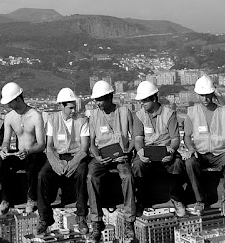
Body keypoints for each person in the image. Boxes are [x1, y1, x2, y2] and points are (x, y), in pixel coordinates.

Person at [35, 88, 90, 235]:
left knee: (81, 174)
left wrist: (72, 163)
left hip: (76, 156)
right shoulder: (53, 120)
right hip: (58, 156)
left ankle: (81, 216)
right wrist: (55, 163)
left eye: (74, 107)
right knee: (42, 176)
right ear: (62, 106)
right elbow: (49, 146)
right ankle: (44, 218)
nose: (73, 111)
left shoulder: (82, 120)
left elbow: (84, 148)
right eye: (70, 108)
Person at [184, 75, 225, 217]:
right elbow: (187, 136)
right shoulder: (192, 112)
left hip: (221, 153)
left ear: (212, 93)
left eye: (207, 95)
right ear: (198, 95)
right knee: (190, 163)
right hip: (200, 153)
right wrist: (191, 149)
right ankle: (199, 200)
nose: (205, 98)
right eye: (202, 95)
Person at [87, 80, 136, 243]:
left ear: (109, 97)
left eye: (100, 100)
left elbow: (135, 136)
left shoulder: (124, 112)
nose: (98, 104)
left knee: (127, 177)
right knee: (91, 176)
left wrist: (128, 152)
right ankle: (96, 221)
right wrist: (97, 157)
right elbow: (92, 143)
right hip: (102, 157)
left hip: (121, 156)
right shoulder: (93, 115)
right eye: (96, 101)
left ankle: (129, 222)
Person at [131, 81, 186, 217]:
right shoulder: (139, 115)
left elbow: (175, 139)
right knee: (137, 165)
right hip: (147, 151)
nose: (142, 104)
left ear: (154, 98)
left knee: (177, 164)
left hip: (166, 150)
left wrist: (171, 151)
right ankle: (142, 200)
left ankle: (176, 198)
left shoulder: (169, 114)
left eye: (144, 101)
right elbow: (138, 138)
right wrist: (140, 152)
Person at [0, 82, 46, 216]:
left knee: (32, 164)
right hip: (19, 153)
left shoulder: (35, 116)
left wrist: (29, 151)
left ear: (18, 99)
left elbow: (42, 144)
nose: (8, 106)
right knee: (2, 161)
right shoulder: (9, 117)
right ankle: (5, 199)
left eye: (10, 102)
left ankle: (31, 198)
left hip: (34, 152)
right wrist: (4, 149)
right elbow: (6, 140)